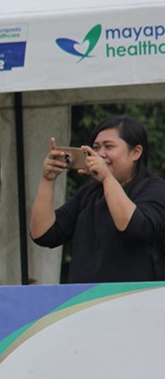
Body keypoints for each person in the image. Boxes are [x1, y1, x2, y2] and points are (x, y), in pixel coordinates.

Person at [31, 115, 165, 283]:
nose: (100, 154)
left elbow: (134, 227)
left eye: (109, 147)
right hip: (86, 302)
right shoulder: (89, 193)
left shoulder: (154, 189)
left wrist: (107, 178)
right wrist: (47, 180)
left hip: (136, 301)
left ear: (136, 153)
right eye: (95, 147)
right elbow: (44, 234)